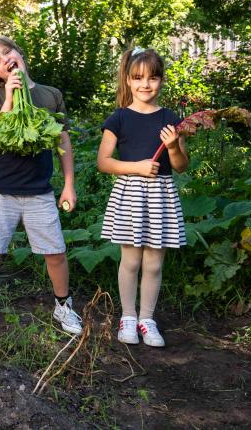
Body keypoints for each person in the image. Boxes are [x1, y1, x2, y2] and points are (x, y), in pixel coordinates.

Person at [0, 36, 82, 336]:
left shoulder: (50, 95)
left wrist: (69, 185)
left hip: (38, 189)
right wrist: (9, 98)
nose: (5, 59)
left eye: (7, 52)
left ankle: (63, 306)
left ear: (19, 54)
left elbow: (63, 140)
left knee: (55, 251)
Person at [97, 47, 189, 347]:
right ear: (128, 79)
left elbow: (181, 165)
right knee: (131, 261)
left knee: (153, 263)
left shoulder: (170, 118)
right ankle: (128, 317)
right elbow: (104, 162)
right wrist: (135, 167)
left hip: (161, 196)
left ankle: (147, 320)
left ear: (162, 80)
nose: (145, 84)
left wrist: (173, 146)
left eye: (153, 77)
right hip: (130, 194)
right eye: (138, 78)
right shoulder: (119, 118)